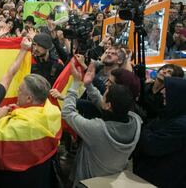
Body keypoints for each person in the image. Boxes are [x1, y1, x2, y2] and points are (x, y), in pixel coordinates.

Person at [59, 59, 142, 187]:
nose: (103, 92)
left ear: (109, 105)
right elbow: (102, 105)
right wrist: (88, 85)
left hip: (88, 181)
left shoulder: (97, 129)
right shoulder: (135, 120)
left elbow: (67, 113)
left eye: (105, 92)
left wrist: (75, 83)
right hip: (112, 177)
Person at [0, 74, 62, 188]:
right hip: (40, 177)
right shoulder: (54, 113)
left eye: (20, 90)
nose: (17, 91)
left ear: (29, 98)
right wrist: (19, 110)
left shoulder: (17, 126)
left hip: (16, 180)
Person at [134, 77, 186, 188]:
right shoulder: (170, 114)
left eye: (167, 89)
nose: (162, 91)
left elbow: (151, 145)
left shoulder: (181, 124)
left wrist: (143, 130)